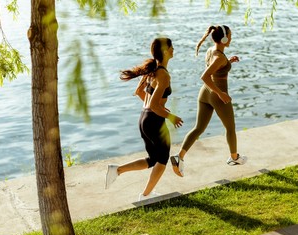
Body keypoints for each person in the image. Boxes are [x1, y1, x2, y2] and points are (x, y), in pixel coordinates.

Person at [105, 37, 183, 201]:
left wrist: (158, 109)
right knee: (162, 160)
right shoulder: (163, 75)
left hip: (144, 119)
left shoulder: (152, 70)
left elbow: (140, 93)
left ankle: (117, 170)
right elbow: (155, 105)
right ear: (165, 51)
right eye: (171, 47)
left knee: (153, 159)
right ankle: (145, 196)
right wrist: (171, 116)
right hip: (154, 121)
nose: (173, 50)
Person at [170, 25, 247, 177]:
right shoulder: (219, 57)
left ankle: (179, 157)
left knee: (198, 128)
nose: (231, 38)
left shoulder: (212, 51)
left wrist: (229, 61)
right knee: (230, 128)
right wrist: (221, 94)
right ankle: (234, 158)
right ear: (224, 39)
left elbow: (216, 67)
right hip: (217, 95)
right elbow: (205, 76)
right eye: (230, 36)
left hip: (204, 93)